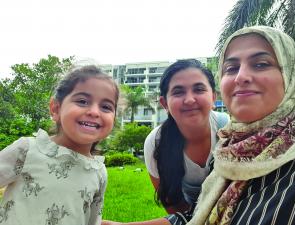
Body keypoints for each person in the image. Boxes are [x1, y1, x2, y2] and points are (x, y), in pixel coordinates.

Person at [187, 26, 295, 225]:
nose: (241, 77)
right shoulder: (228, 150)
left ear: (291, 75)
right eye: (231, 68)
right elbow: (197, 216)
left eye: (261, 64)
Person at [102, 59, 230, 225]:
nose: (190, 99)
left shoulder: (229, 131)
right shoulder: (156, 144)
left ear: (213, 97)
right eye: (178, 92)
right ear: (164, 103)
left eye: (198, 89)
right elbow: (174, 208)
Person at [0, 65, 119, 225]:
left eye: (106, 107)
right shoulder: (27, 150)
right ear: (55, 109)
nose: (95, 112)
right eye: (83, 101)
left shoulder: (98, 171)